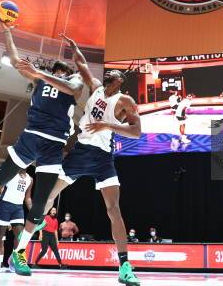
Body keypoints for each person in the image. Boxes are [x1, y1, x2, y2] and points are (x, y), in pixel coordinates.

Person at [0, 19, 84, 277]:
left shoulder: (74, 82)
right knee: (3, 177)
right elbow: (16, 60)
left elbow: (72, 86)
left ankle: (20, 253)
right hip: (30, 137)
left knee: (40, 205)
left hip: (53, 145)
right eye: (57, 71)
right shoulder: (40, 80)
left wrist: (40, 72)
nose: (61, 74)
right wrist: (7, 32)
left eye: (63, 71)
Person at [42, 34, 143, 285]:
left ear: (120, 81)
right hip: (80, 152)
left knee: (113, 209)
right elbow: (82, 64)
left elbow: (137, 132)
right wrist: (75, 49)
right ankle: (20, 248)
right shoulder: (96, 86)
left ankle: (124, 266)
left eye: (116, 74)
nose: (111, 74)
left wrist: (108, 124)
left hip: (102, 158)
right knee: (48, 196)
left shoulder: (124, 101)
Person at [0, 170, 32, 271]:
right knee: (0, 235)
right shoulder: (11, 173)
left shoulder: (30, 179)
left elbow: (27, 198)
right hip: (4, 205)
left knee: (20, 237)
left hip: (18, 208)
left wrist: (34, 212)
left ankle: (14, 260)